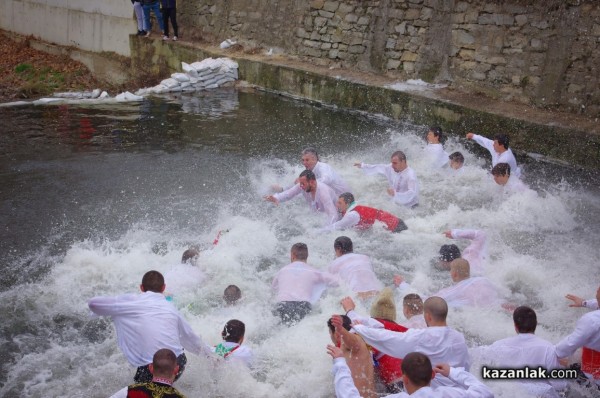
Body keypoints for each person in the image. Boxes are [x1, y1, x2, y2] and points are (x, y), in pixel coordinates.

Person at [88, 270, 214, 382]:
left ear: (141, 288)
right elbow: (190, 338)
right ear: (164, 288)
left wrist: (123, 300)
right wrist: (211, 356)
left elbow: (93, 304)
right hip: (177, 364)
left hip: (150, 368)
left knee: (144, 389)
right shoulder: (172, 309)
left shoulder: (131, 302)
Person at [351, 297, 471, 389]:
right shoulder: (459, 338)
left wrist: (361, 329)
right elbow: (466, 366)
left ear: (428, 316)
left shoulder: (422, 337)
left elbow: (389, 338)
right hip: (460, 391)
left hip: (435, 393)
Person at [475, 306, 566, 397]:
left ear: (515, 326)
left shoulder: (498, 345)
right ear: (536, 324)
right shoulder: (548, 348)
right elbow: (559, 385)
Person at [328, 349, 493, 398]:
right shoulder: (453, 394)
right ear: (433, 375)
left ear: (404, 378)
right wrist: (453, 372)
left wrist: (341, 363)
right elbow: (486, 392)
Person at [341, 290, 408, 394]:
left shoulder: (374, 329)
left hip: (395, 384)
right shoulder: (402, 330)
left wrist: (349, 310)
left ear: (373, 315)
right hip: (415, 380)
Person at [272, 243, 338, 325]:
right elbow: (337, 282)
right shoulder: (314, 272)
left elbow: (274, 288)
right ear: (307, 256)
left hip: (283, 305)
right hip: (302, 305)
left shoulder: (282, 271)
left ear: (292, 255)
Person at [396, 259, 501, 309]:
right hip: (495, 309)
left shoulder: (456, 290)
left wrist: (403, 285)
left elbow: (427, 301)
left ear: (454, 274)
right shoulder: (484, 280)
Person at [556, 285, 600, 386]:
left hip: (593, 381)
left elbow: (569, 345)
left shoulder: (592, 320)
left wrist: (546, 353)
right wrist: (585, 303)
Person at [265, 169, 339, 225]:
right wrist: (276, 198)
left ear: (312, 182)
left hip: (336, 218)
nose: (300, 186)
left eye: (303, 184)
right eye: (300, 183)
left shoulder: (323, 192)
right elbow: (288, 194)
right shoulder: (302, 186)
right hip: (319, 217)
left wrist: (323, 231)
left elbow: (333, 216)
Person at [328, 315, 377, 398]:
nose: (331, 336)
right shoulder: (364, 340)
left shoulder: (351, 340)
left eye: (330, 333)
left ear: (336, 334)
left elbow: (355, 344)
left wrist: (341, 330)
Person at [271, 147, 351, 196]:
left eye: (307, 160)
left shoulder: (323, 167)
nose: (304, 163)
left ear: (314, 159)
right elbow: (300, 183)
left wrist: (308, 183)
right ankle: (282, 191)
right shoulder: (309, 170)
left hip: (344, 198)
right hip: (332, 196)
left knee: (305, 191)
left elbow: (327, 179)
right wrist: (283, 189)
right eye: (302, 160)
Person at [354, 151, 419, 208]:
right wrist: (363, 166)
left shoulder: (410, 175)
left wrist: (396, 194)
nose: (392, 165)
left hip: (410, 207)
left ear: (403, 161)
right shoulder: (391, 167)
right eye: (392, 163)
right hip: (397, 203)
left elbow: (412, 193)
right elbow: (379, 167)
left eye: (395, 163)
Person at [322, 192, 408, 233]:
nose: (337, 205)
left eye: (340, 203)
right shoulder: (353, 207)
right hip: (395, 222)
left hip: (396, 227)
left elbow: (337, 227)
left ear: (348, 203)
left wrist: (315, 232)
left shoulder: (352, 215)